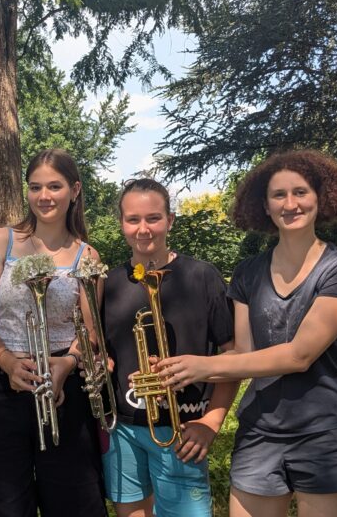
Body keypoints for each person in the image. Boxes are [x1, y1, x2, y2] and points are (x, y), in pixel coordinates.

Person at [155, 150, 337, 517]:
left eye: (300, 192)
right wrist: (174, 368)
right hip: (259, 431)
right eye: (279, 195)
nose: (290, 204)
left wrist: (204, 366)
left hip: (324, 433)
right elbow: (243, 354)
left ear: (319, 197)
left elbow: (299, 355)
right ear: (265, 206)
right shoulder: (248, 272)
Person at [0, 148, 107, 516]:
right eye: (35, 187)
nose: (44, 196)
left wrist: (68, 364)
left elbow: (90, 332)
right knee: (2, 505)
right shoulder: (1, 241)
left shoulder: (87, 256)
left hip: (62, 386)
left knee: (74, 502)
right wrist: (7, 362)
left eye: (54, 186)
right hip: (1, 384)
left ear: (74, 190)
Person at [101, 178, 239, 517]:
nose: (143, 229)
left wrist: (212, 421)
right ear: (121, 223)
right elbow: (101, 350)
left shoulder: (202, 276)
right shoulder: (109, 283)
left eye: (154, 218)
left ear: (170, 220)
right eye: (133, 219)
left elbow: (233, 355)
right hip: (123, 429)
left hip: (184, 428)